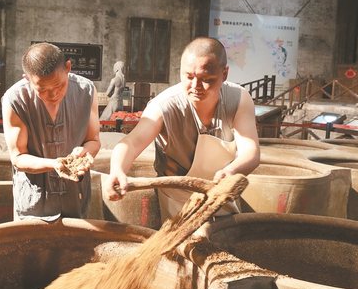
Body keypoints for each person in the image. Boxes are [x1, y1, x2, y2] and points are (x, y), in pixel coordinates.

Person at [102, 37, 260, 223]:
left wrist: (232, 171)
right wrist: (117, 169)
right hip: (175, 199)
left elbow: (251, 151)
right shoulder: (164, 105)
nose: (195, 87)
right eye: (188, 77)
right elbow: (132, 141)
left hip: (218, 194)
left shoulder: (239, 99)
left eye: (206, 79)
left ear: (224, 74)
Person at [2, 42, 101, 221]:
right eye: (43, 90)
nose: (53, 95)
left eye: (59, 85)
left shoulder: (86, 91)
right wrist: (55, 164)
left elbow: (93, 140)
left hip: (75, 198)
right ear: (27, 79)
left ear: (68, 68)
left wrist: (84, 153)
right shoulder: (15, 99)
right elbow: (18, 157)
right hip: (35, 203)